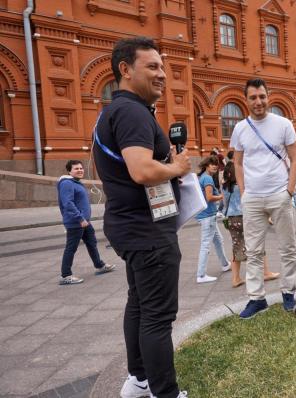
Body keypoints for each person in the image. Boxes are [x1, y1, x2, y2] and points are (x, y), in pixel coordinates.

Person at [93, 37, 191, 398]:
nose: (162, 74)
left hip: (129, 227)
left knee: (139, 304)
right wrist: (176, 166)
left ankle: (138, 380)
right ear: (125, 69)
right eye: (152, 67)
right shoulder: (132, 112)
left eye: (162, 67)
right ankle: (164, 393)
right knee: (157, 317)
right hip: (147, 232)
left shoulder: (114, 111)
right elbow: (140, 170)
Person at [232, 78, 296, 319]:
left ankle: (289, 293)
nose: (258, 101)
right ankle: (256, 299)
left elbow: (295, 158)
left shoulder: (283, 124)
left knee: (287, 248)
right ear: (247, 100)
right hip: (252, 198)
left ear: (267, 97)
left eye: (262, 96)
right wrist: (243, 192)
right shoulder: (240, 128)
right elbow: (237, 162)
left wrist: (289, 191)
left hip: (279, 194)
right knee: (253, 251)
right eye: (253, 97)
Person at [222, 162, 280, 287]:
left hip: (232, 219)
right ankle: (266, 272)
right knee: (258, 243)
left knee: (236, 247)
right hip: (246, 217)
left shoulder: (226, 187)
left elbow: (225, 204)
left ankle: (236, 278)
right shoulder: (244, 186)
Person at [57, 160, 115, 285]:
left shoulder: (76, 182)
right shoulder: (67, 183)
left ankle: (99, 265)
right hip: (76, 222)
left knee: (91, 243)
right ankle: (65, 275)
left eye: (81, 168)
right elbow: (68, 203)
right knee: (71, 248)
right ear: (69, 171)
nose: (80, 170)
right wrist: (80, 218)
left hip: (84, 221)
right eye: (76, 169)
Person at [195, 156, 231, 283]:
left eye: (216, 164)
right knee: (205, 244)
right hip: (207, 216)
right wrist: (221, 196)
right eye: (212, 164)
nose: (215, 166)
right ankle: (201, 275)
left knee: (218, 240)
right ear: (206, 165)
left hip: (206, 215)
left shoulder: (203, 177)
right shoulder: (208, 178)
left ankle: (225, 264)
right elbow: (209, 197)